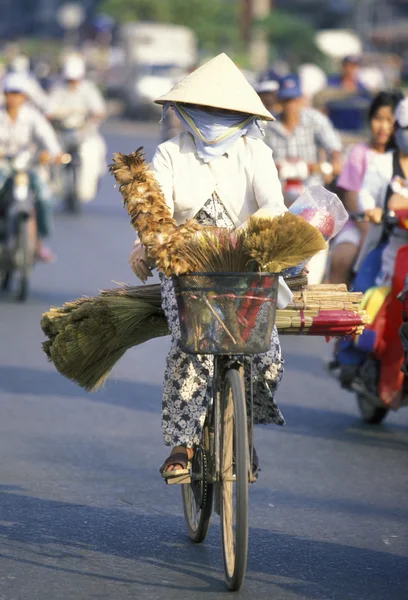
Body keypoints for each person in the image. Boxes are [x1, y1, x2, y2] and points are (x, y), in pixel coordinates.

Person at [128, 54, 287, 478]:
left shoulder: (257, 153)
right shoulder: (169, 153)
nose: (214, 118)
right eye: (206, 110)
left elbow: (274, 204)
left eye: (224, 112)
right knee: (191, 348)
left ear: (240, 115)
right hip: (187, 271)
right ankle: (184, 445)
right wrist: (146, 243)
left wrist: (250, 231)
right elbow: (154, 208)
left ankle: (244, 434)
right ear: (188, 112)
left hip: (247, 266)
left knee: (265, 354)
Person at [330, 90, 403, 285]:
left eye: (390, 121)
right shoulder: (359, 153)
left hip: (396, 227)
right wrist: (367, 233)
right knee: (341, 258)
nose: (383, 127)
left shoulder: (401, 157)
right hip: (359, 223)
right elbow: (353, 198)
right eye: (378, 118)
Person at [0, 73, 62, 262]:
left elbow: (48, 138)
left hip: (27, 167)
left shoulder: (32, 117)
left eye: (18, 93)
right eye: (10, 93)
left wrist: (53, 153)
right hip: (3, 166)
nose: (13, 97)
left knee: (43, 197)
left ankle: (39, 242)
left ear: (24, 96)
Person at [356, 97, 408, 287]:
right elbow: (366, 193)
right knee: (366, 302)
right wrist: (371, 209)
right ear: (397, 129)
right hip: (389, 243)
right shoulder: (381, 164)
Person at [47, 55, 107, 203]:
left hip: (84, 133)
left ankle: (85, 190)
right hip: (62, 132)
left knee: (91, 155)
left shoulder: (88, 89)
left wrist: (89, 119)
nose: (72, 83)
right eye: (69, 79)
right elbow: (48, 110)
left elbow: (99, 111)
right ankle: (57, 187)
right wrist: (60, 115)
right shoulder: (57, 89)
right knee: (52, 155)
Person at [265, 74, 343, 173]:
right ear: (279, 101)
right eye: (286, 100)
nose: (290, 105)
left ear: (300, 99)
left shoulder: (315, 119)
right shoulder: (268, 123)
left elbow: (333, 144)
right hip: (278, 183)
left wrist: (335, 159)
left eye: (294, 100)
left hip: (310, 182)